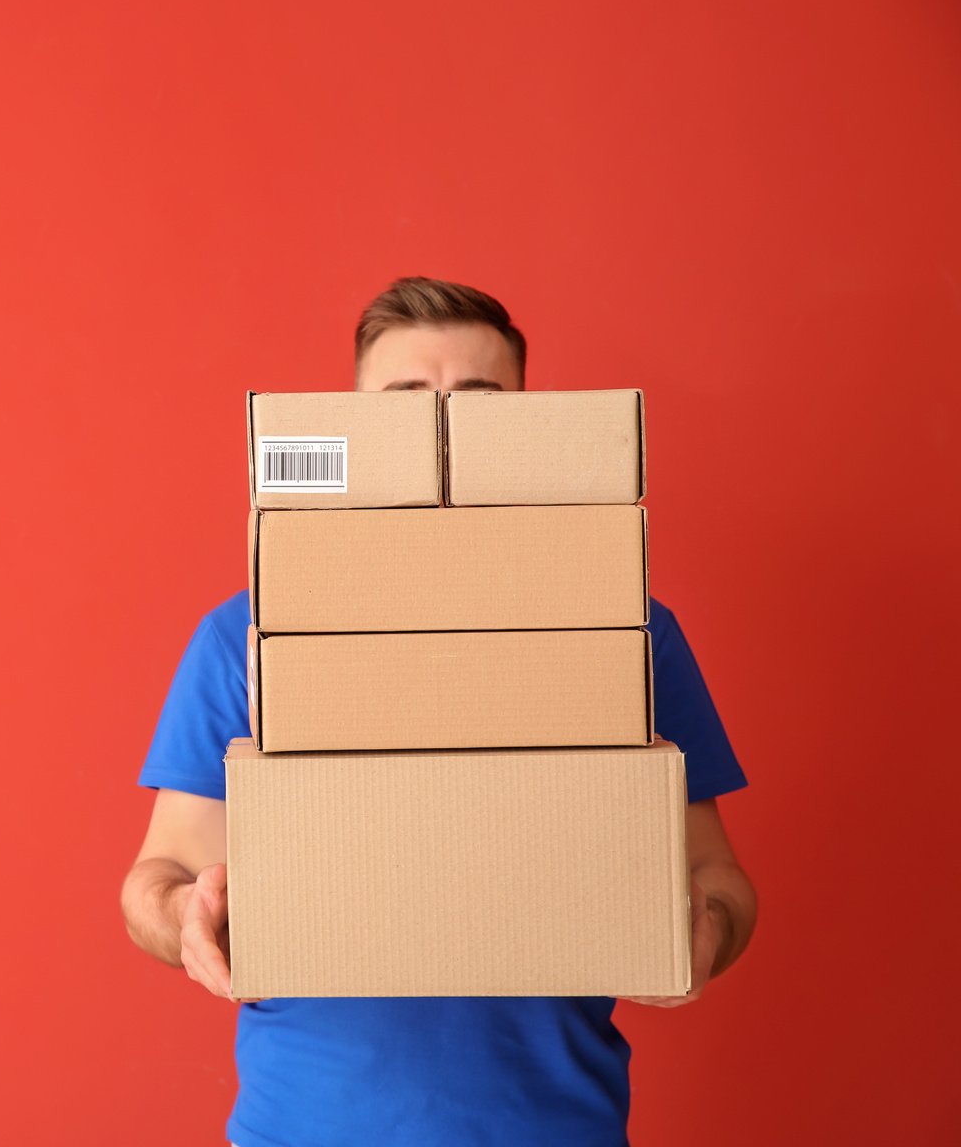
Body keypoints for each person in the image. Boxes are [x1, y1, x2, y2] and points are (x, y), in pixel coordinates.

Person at [119, 277, 759, 1147]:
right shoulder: (250, 633)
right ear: (352, 422)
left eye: (479, 406)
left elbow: (719, 879)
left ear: (529, 426)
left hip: (555, 1128)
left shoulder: (626, 626)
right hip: (307, 1129)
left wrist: (701, 932)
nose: (441, 435)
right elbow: (157, 877)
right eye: (405, 404)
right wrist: (186, 921)